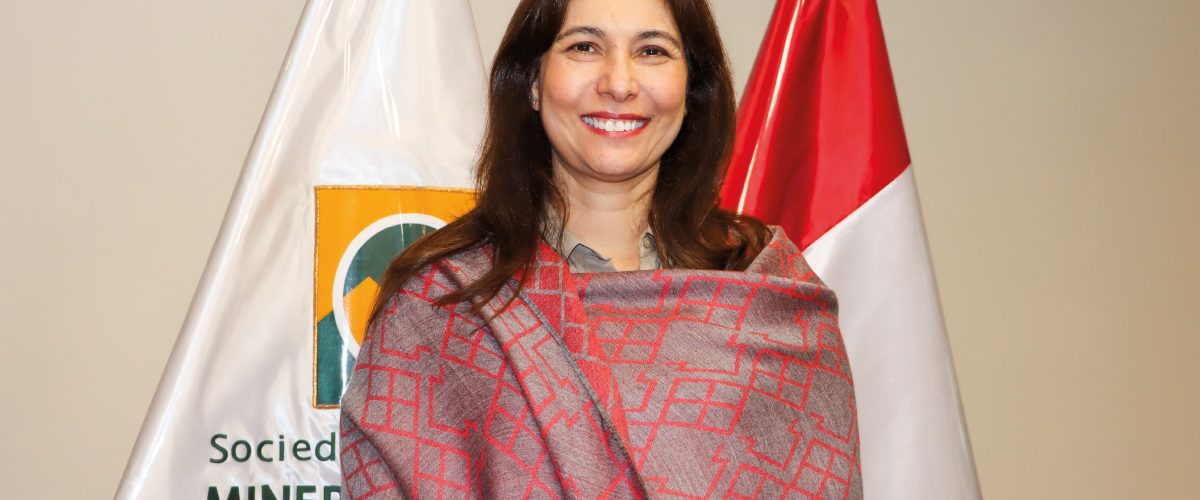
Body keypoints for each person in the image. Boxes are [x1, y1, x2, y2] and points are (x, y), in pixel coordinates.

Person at [339, 0, 861, 498]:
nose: (619, 83)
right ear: (533, 82)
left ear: (692, 89)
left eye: (652, 50)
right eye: (584, 47)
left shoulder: (769, 296)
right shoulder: (442, 307)